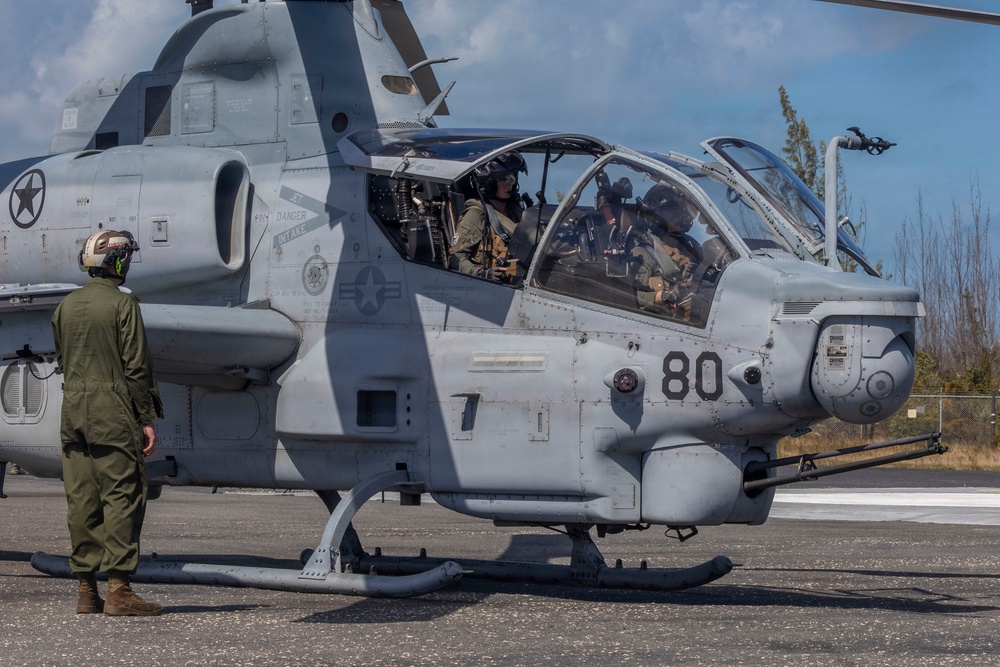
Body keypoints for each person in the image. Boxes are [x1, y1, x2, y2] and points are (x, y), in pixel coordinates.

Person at [51, 230, 164, 617]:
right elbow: (136, 368)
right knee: (122, 495)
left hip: (72, 411)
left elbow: (63, 360)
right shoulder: (123, 306)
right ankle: (118, 590)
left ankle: (86, 590)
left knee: (82, 497)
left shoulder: (65, 306)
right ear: (117, 262)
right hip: (111, 410)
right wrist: (145, 418)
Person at [449, 151, 526, 282]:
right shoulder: (476, 214)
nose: (510, 183)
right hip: (490, 287)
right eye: (503, 178)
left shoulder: (518, 213)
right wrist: (481, 274)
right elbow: (456, 257)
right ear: (488, 182)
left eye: (512, 177)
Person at [629, 183, 703, 318]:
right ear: (657, 217)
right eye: (673, 214)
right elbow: (630, 296)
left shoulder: (692, 248)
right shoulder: (643, 254)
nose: (682, 219)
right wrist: (661, 297)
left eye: (683, 214)